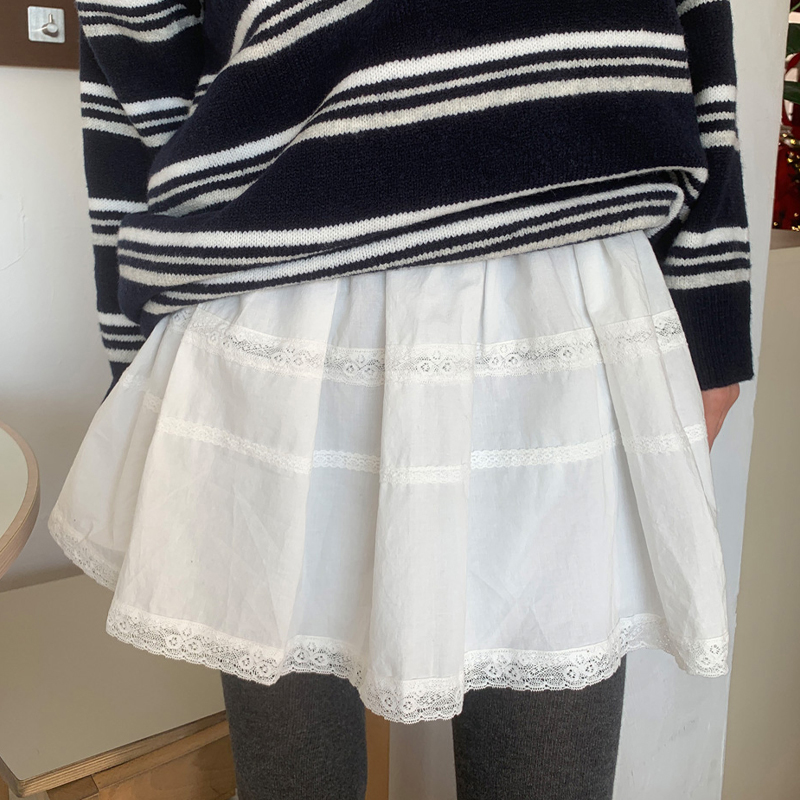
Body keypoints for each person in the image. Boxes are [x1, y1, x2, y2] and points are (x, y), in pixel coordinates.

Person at [50, 1, 753, 797]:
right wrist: (134, 345)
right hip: (276, 305)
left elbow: (700, 20)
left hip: (566, 287)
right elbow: (125, 35)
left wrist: (711, 299)